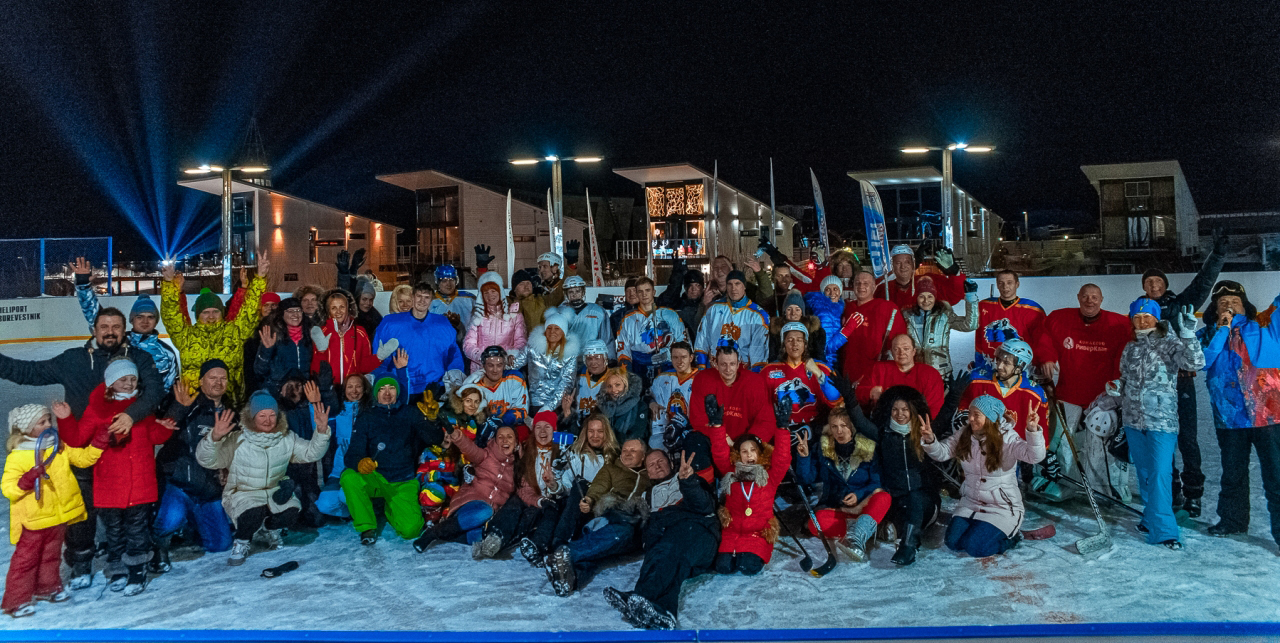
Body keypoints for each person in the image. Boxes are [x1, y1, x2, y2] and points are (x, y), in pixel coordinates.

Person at [0, 306, 163, 588]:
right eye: (104, 327)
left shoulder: (139, 358)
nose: (110, 332)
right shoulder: (73, 360)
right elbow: (28, 372)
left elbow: (155, 391)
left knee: (129, 515)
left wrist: (131, 415)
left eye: (116, 327)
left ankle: (134, 559)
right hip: (81, 450)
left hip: (122, 455)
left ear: (124, 330)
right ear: (93, 330)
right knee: (80, 512)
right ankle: (81, 561)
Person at [57, 358, 178, 595]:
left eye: (133, 379)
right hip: (110, 485)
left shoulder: (141, 408)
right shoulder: (97, 409)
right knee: (114, 532)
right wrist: (65, 418)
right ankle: (117, 569)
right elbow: (77, 439)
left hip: (140, 483)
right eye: (123, 379)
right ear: (111, 382)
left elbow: (154, 435)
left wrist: (166, 425)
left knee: (137, 531)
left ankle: (137, 570)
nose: (129, 384)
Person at [1141, 229, 1228, 517]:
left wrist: (1218, 254)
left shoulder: (1181, 304)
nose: (1154, 285)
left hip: (1182, 383)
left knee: (1187, 440)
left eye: (1158, 281)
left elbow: (1204, 282)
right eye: (1148, 282)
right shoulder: (1140, 312)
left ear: (1165, 284)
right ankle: (1172, 490)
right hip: (1154, 388)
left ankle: (1193, 494)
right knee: (1161, 440)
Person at [195, 390, 331, 566]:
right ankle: (242, 541)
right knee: (253, 512)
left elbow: (311, 453)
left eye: (272, 415)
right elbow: (206, 460)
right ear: (252, 417)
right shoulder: (237, 440)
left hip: (274, 490)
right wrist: (214, 438)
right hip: (243, 492)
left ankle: (268, 529)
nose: (268, 420)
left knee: (291, 512)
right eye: (262, 415)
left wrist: (321, 431)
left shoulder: (286, 438)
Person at [1111, 299, 1203, 550]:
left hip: (1161, 420)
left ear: (1156, 319)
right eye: (1137, 318)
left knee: (1161, 473)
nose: (1142, 322)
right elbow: (1125, 377)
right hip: (1133, 420)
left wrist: (1188, 335)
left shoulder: (1170, 343)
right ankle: (1150, 518)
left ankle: (1165, 532)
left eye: (1147, 317)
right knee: (1144, 473)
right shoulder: (1131, 347)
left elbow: (1194, 363)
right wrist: (1118, 386)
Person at [2, 403, 109, 617]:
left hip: (57, 518)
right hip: (34, 520)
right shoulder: (19, 456)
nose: (48, 425)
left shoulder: (58, 447)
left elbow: (83, 459)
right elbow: (8, 488)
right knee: (25, 561)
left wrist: (99, 442)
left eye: (49, 420)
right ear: (27, 429)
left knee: (51, 557)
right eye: (41, 422)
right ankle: (17, 600)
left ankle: (47, 588)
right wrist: (26, 480)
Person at [1032, 284, 1132, 502]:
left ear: (1102, 299)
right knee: (1061, 441)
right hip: (1069, 394)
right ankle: (1061, 483)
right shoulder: (1060, 319)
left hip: (1103, 399)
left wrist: (1116, 390)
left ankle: (1107, 488)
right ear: (1078, 297)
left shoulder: (1119, 324)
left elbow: (1126, 354)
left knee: (1101, 445)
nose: (1090, 301)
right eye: (1085, 296)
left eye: (1094, 297)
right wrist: (1047, 357)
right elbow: (1044, 336)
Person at [1198, 280, 1280, 545]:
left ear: (1246, 307)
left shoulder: (1264, 328)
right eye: (1223, 303)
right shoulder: (1206, 335)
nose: (1229, 306)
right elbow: (1203, 361)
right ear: (1214, 309)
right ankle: (1233, 521)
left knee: (1277, 475)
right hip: (1229, 418)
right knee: (1232, 473)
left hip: (1268, 416)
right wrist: (1222, 328)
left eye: (1235, 302)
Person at [603, 449, 718, 630]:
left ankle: (641, 596)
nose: (656, 466)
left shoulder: (688, 478)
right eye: (651, 465)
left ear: (671, 464)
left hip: (699, 533)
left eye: (660, 461)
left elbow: (705, 506)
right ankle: (662, 612)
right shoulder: (646, 496)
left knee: (670, 545)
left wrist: (688, 481)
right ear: (648, 473)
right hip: (672, 542)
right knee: (661, 554)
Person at [923, 394, 1046, 558]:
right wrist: (931, 441)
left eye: (976, 415)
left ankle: (1012, 539)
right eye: (970, 413)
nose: (970, 419)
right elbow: (942, 453)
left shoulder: (1008, 438)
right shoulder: (965, 433)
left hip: (1001, 507)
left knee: (975, 548)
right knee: (953, 543)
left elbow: (1034, 456)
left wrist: (1032, 431)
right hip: (971, 503)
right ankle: (984, 531)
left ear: (990, 418)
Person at [341, 355, 443, 546]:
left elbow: (435, 439)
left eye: (391, 388)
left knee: (411, 530)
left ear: (397, 391)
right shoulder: (367, 416)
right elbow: (353, 453)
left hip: (402, 480)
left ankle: (391, 507)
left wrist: (432, 420)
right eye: (382, 389)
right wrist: (360, 462)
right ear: (375, 393)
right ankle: (367, 526)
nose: (387, 393)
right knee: (349, 477)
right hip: (376, 477)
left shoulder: (410, 413)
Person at [154, 360, 238, 571]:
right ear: (201, 381)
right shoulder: (187, 404)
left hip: (208, 489)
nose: (218, 382)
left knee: (221, 545)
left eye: (223, 378)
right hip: (179, 483)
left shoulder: (230, 414)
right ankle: (157, 543)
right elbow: (162, 433)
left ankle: (194, 523)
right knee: (169, 522)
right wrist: (179, 408)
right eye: (212, 377)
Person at [544, 438, 651, 597]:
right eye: (625, 450)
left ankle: (567, 573)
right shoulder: (611, 469)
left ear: (643, 456)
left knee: (601, 550)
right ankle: (567, 558)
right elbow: (598, 486)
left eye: (633, 451)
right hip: (612, 515)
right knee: (619, 534)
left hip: (636, 523)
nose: (627, 454)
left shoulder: (649, 475)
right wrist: (590, 499)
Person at [160, 257, 269, 400]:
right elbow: (170, 315)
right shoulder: (185, 336)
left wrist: (260, 278)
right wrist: (169, 283)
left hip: (230, 403)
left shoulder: (235, 332)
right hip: (194, 404)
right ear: (198, 315)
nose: (211, 316)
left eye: (215, 311)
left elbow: (250, 310)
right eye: (205, 312)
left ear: (221, 313)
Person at [522, 413, 620, 567]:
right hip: (576, 506)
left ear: (607, 433)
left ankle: (558, 544)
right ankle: (542, 545)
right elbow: (565, 486)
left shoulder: (615, 459)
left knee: (581, 486)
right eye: (591, 431)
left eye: (600, 431)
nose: (595, 436)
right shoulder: (577, 456)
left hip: (597, 509)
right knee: (560, 501)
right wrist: (553, 485)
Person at [796, 406, 891, 562]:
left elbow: (876, 482)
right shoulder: (823, 449)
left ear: (851, 427)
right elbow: (806, 479)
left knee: (884, 497)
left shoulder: (867, 448)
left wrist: (858, 495)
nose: (839, 431)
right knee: (815, 524)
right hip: (839, 509)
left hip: (864, 506)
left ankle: (859, 533)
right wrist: (804, 457)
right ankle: (868, 530)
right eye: (834, 426)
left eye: (843, 425)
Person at [73, 257, 178, 393]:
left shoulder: (167, 353)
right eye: (139, 317)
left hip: (151, 405)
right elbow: (96, 316)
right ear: (131, 320)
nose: (145, 321)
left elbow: (171, 390)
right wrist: (83, 283)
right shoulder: (117, 342)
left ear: (156, 321)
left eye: (150, 317)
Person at [471, 411, 565, 560]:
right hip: (531, 496)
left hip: (551, 501)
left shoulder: (562, 453)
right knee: (515, 503)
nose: (542, 431)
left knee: (543, 514)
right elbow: (523, 488)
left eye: (547, 427)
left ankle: (537, 545)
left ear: (554, 430)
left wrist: (553, 486)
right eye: (538, 427)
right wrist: (539, 500)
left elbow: (567, 485)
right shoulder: (526, 451)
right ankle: (495, 536)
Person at [413, 424, 521, 551]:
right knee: (485, 511)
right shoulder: (485, 455)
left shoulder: (517, 469)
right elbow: (469, 448)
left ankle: (451, 535)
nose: (505, 440)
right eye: (500, 437)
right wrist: (456, 435)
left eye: (509, 437)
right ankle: (434, 533)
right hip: (470, 505)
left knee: (484, 535)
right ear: (495, 441)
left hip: (486, 517)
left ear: (516, 443)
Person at [759, 322, 843, 467]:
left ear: (805, 344)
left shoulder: (821, 368)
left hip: (813, 429)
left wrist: (818, 374)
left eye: (799, 340)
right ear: (783, 344)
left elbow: (836, 401)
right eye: (790, 340)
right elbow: (760, 406)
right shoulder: (769, 371)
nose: (794, 344)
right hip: (780, 429)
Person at [714, 428, 791, 575]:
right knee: (723, 567)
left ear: (760, 453)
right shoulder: (731, 474)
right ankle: (735, 553)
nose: (749, 454)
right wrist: (717, 426)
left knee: (749, 567)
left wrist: (782, 429)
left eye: (753, 450)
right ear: (738, 455)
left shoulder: (769, 476)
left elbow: (782, 458)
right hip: (732, 532)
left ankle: (751, 554)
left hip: (758, 533)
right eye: (744, 451)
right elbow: (719, 454)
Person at [372, 281, 463, 396]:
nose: (422, 301)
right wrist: (382, 381)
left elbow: (454, 355)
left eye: (426, 297)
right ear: (413, 297)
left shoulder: (443, 324)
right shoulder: (390, 323)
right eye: (419, 296)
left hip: (435, 386)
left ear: (431, 300)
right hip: (401, 386)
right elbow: (379, 357)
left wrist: (454, 383)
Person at [690, 340, 778, 456]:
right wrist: (722, 437)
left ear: (738, 364)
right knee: (694, 440)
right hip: (714, 439)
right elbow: (698, 419)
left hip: (747, 442)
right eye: (723, 364)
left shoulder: (755, 382)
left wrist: (747, 443)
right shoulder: (703, 380)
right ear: (715, 364)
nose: (728, 369)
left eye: (732, 364)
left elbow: (766, 421)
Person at [960, 338, 1047, 441]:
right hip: (979, 446)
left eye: (1006, 363)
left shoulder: (1035, 394)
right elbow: (962, 415)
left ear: (1020, 367)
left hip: (1015, 448)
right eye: (999, 360)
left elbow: (1040, 436)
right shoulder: (976, 382)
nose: (1000, 366)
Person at [840, 271, 906, 392]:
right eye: (857, 283)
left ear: (874, 287)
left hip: (875, 375)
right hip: (849, 372)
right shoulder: (847, 308)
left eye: (866, 283)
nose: (861, 286)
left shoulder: (886, 308)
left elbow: (898, 343)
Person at [903, 275, 980, 380]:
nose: (926, 301)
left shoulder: (944, 315)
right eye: (921, 296)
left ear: (935, 297)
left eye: (930, 296)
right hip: (915, 371)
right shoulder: (907, 316)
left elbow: (970, 325)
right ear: (916, 297)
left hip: (941, 372)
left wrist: (971, 297)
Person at [316, 373, 370, 520]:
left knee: (345, 495)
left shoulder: (370, 412)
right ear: (344, 390)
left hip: (361, 470)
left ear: (365, 389)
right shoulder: (338, 412)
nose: (354, 391)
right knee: (324, 504)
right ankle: (352, 512)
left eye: (358, 386)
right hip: (339, 470)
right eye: (350, 387)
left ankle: (366, 509)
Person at [617, 277, 688, 385]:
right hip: (639, 369)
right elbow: (623, 351)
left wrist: (668, 354)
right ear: (636, 294)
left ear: (654, 292)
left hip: (668, 367)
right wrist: (627, 375)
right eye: (640, 291)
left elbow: (683, 342)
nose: (644, 294)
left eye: (647, 290)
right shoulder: (628, 320)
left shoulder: (670, 314)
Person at [694, 270, 770, 370]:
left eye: (737, 283)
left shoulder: (758, 315)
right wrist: (701, 366)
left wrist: (754, 375)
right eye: (730, 284)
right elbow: (702, 339)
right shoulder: (713, 309)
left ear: (744, 286)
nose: (733, 288)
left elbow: (758, 350)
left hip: (742, 372)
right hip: (714, 369)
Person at [975, 270, 1046, 375]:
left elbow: (1043, 341)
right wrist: (978, 362)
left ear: (1017, 284)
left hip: (1019, 368)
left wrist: (1043, 362)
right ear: (997, 285)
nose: (1005, 287)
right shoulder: (983, 306)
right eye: (1001, 283)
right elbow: (978, 337)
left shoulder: (1033, 310)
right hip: (989, 366)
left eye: (1009, 282)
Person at [312, 289, 381, 385]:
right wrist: (321, 352)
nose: (338, 311)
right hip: (329, 388)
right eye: (333, 308)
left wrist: (379, 358)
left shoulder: (359, 332)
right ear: (328, 312)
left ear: (348, 309)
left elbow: (364, 366)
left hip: (352, 388)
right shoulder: (322, 333)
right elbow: (315, 368)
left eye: (342, 307)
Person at [863, 335, 945, 417]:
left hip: (918, 421)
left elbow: (935, 408)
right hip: (883, 420)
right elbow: (859, 393)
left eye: (906, 349)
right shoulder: (878, 369)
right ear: (891, 352)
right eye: (896, 349)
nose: (901, 353)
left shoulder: (930, 374)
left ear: (914, 351)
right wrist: (870, 393)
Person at [463, 273, 527, 373]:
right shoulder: (477, 316)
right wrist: (483, 358)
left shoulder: (514, 314)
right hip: (481, 370)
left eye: (493, 291)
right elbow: (468, 344)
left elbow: (521, 341)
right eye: (486, 293)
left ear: (500, 291)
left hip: (507, 369)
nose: (490, 295)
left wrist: (512, 355)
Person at [875, 244, 967, 310]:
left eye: (907, 262)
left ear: (913, 263)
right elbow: (868, 295)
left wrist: (954, 271)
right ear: (892, 266)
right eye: (898, 263)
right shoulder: (884, 289)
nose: (903, 267)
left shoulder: (928, 281)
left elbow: (956, 295)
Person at [253, 297, 316, 393]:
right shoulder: (273, 335)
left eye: (298, 310)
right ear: (282, 314)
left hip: (303, 391)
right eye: (290, 311)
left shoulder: (311, 335)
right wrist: (266, 350)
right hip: (277, 391)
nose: (295, 314)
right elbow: (259, 371)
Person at [461, 346, 530, 434]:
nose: (495, 370)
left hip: (511, 429)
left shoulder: (515, 379)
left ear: (504, 365)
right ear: (483, 366)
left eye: (499, 365)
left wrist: (500, 423)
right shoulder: (474, 387)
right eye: (490, 365)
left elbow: (522, 411)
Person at [649, 342, 702, 450]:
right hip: (665, 430)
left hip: (692, 432)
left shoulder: (702, 379)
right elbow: (648, 397)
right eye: (675, 357)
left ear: (691, 358)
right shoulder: (661, 378)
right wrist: (652, 403)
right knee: (654, 444)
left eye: (683, 357)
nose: (679, 361)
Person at [526, 313, 582, 412]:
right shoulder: (533, 347)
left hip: (556, 407)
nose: (552, 332)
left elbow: (566, 384)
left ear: (563, 332)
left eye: (557, 328)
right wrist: (507, 358)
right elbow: (515, 363)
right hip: (533, 403)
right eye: (549, 328)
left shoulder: (570, 354)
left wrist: (549, 407)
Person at [767, 290, 824, 364]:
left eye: (797, 309)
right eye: (789, 309)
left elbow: (820, 356)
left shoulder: (815, 331)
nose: (793, 313)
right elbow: (772, 356)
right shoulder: (775, 331)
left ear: (802, 312)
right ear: (784, 312)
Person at [556, 275, 612, 351]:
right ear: (566, 294)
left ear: (583, 292)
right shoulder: (559, 313)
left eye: (577, 291)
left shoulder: (598, 311)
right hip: (568, 355)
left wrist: (609, 356)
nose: (574, 295)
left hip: (592, 355)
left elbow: (607, 339)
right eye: (571, 292)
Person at [595, 368, 649, 444]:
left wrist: (610, 439)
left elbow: (637, 434)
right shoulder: (601, 407)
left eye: (617, 385)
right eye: (609, 386)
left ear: (626, 385)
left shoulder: (640, 406)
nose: (614, 390)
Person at [803, 278, 848, 368]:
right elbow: (826, 348)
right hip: (828, 363)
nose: (832, 293)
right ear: (823, 292)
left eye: (835, 289)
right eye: (828, 289)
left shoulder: (839, 308)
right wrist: (846, 331)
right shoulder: (824, 312)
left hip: (836, 361)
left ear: (840, 291)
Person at [567, 340, 612, 427]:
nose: (593, 362)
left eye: (597, 358)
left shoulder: (614, 379)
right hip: (578, 426)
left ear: (605, 358)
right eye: (589, 358)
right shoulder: (576, 378)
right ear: (585, 360)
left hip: (602, 429)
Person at [429, 264, 475, 345]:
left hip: (465, 345)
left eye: (452, 280)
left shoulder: (469, 298)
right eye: (444, 281)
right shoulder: (429, 300)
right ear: (438, 282)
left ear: (456, 281)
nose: (449, 284)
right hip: (437, 345)